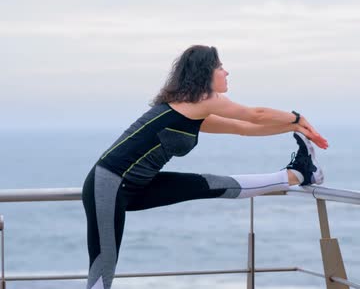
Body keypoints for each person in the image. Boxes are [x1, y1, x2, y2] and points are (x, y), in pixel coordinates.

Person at [81, 45, 329, 289]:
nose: (226, 72)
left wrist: (293, 127)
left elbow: (242, 129)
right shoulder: (203, 100)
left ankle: (300, 173)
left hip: (136, 184)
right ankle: (299, 172)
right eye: (220, 67)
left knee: (213, 184)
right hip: (110, 183)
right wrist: (297, 118)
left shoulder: (192, 109)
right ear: (205, 71)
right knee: (104, 269)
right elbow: (256, 114)